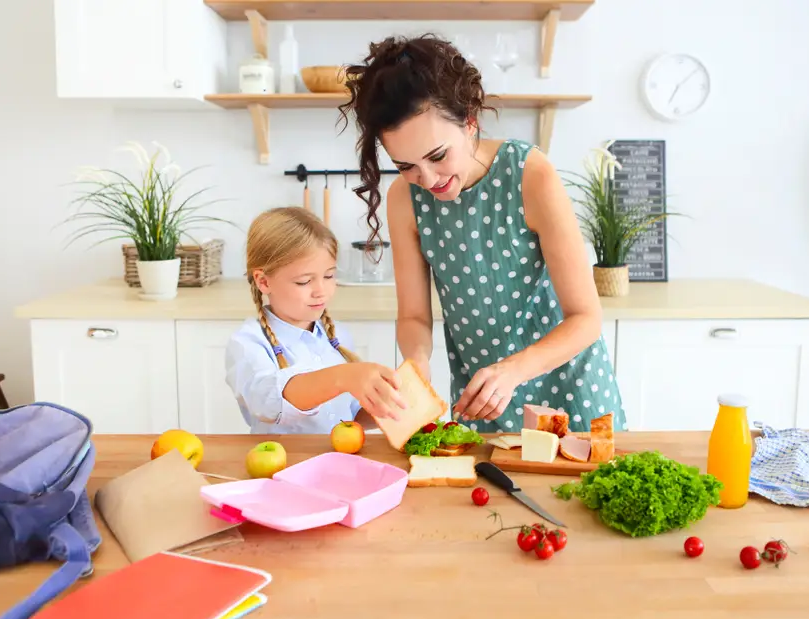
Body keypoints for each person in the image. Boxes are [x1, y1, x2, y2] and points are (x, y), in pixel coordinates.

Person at [337, 34, 626, 434]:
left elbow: (586, 319)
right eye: (406, 165)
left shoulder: (530, 175)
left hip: (570, 393)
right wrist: (416, 368)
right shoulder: (406, 199)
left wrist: (511, 371)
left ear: (469, 121)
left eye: (438, 156)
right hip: (483, 404)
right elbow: (415, 316)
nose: (429, 179)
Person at [225, 206, 407, 434]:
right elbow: (267, 402)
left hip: (339, 460)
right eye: (304, 281)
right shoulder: (248, 342)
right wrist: (343, 377)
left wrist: (390, 404)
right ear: (264, 281)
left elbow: (351, 417)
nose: (321, 291)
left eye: (329, 276)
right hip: (284, 466)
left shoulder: (337, 337)